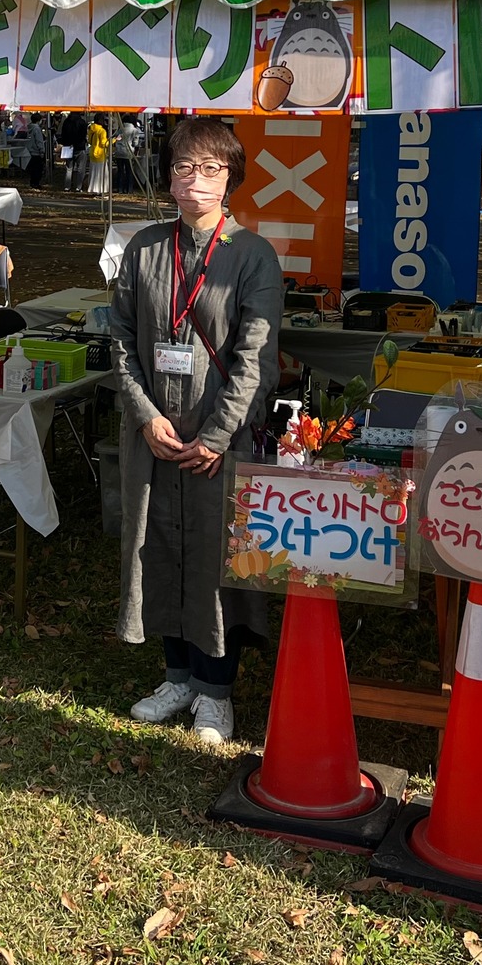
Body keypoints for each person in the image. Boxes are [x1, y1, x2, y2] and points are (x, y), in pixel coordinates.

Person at [111, 117, 283, 744]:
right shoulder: (144, 247)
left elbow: (257, 358)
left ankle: (216, 690)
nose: (194, 179)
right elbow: (122, 342)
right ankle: (177, 674)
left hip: (219, 440)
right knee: (156, 548)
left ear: (231, 176)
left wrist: (217, 435)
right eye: (184, 166)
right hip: (155, 432)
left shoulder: (251, 255)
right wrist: (143, 413)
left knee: (218, 558)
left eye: (210, 167)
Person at [59, 110, 89, 191]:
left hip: (68, 147)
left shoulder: (66, 122)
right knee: (80, 169)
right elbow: (83, 135)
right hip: (80, 147)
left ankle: (67, 186)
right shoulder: (82, 122)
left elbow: (63, 134)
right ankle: (78, 187)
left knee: (69, 168)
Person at [85, 114, 112, 195]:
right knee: (101, 173)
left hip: (93, 153)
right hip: (100, 154)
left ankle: (93, 189)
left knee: (93, 173)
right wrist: (114, 140)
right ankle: (100, 189)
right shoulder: (102, 131)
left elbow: (89, 141)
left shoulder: (91, 129)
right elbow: (104, 143)